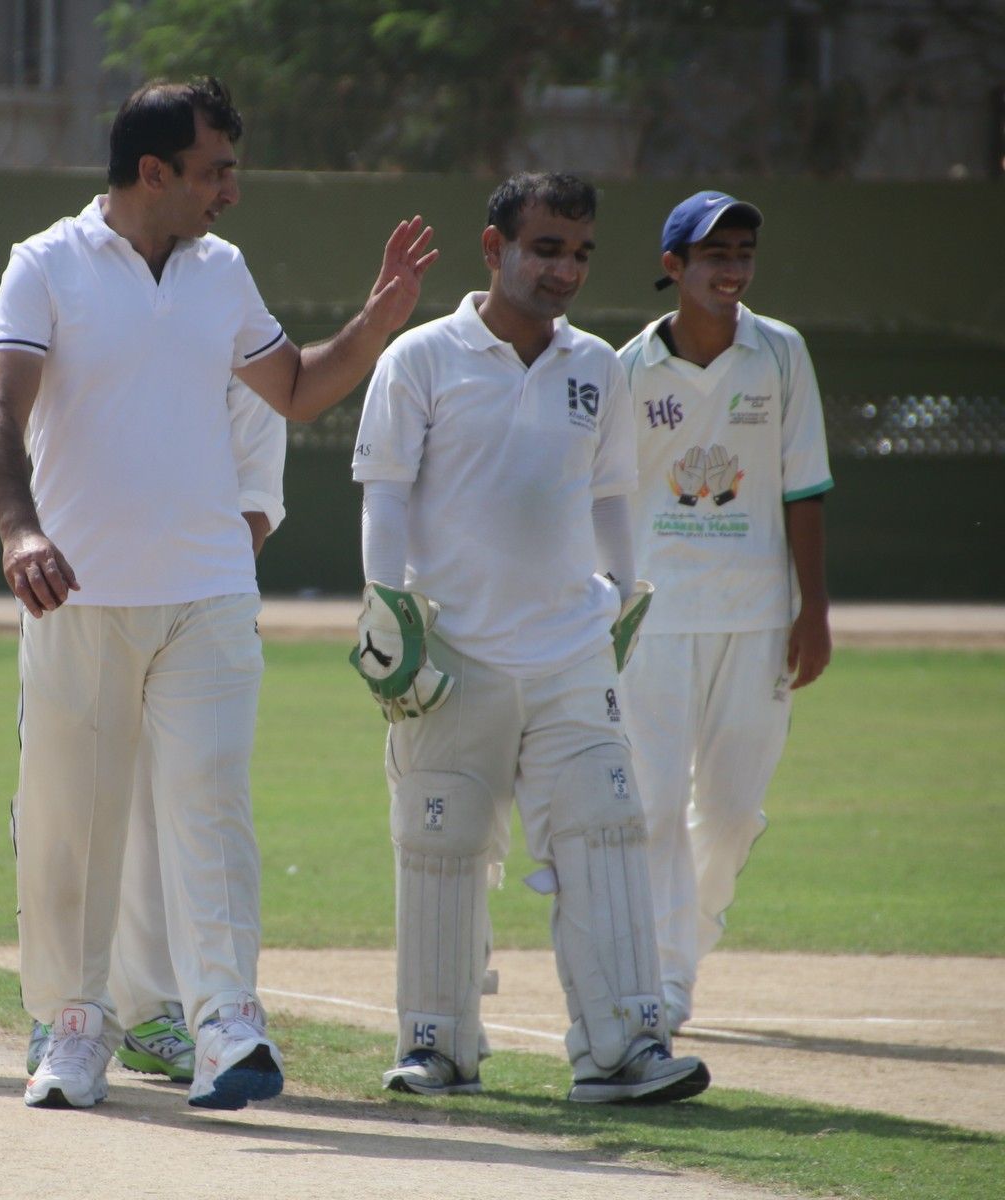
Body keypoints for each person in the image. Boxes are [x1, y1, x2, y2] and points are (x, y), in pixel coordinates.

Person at [0, 75, 435, 1111]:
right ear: (154, 171)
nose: (230, 190)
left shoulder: (221, 271)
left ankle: (225, 1022)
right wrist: (20, 529)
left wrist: (375, 322)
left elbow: (295, 388)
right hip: (78, 598)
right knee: (73, 823)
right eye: (215, 171)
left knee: (210, 807)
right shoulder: (43, 265)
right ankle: (74, 1029)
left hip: (209, 593)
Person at [349, 172, 709, 1104]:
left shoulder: (597, 366)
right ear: (494, 247)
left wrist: (623, 593)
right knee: (441, 844)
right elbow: (386, 490)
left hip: (570, 648)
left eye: (581, 253)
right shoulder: (422, 358)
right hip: (451, 652)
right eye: (547, 249)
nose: (565, 270)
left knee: (605, 832)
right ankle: (436, 1045)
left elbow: (611, 492)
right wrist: (390, 610)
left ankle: (623, 1047)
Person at [0, 380, 287, 1086]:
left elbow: (254, 498)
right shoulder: (58, 318)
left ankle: (153, 1009)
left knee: (186, 807)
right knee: (64, 810)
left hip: (193, 612)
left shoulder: (236, 331)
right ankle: (64, 1014)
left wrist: (199, 585)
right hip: (76, 603)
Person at [617, 191, 833, 1032]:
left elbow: (805, 487)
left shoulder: (781, 353)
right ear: (674, 267)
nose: (733, 269)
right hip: (655, 616)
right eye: (715, 255)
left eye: (743, 253)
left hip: (756, 614)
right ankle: (667, 979)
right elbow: (603, 496)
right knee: (654, 804)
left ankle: (691, 934)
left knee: (733, 812)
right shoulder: (628, 368)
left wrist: (812, 610)